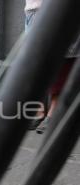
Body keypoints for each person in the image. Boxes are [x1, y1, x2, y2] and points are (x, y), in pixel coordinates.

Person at [24, 0, 80, 133]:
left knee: (62, 60)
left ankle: (53, 112)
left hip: (62, 9)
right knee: (36, 62)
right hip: (33, 10)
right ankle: (39, 110)